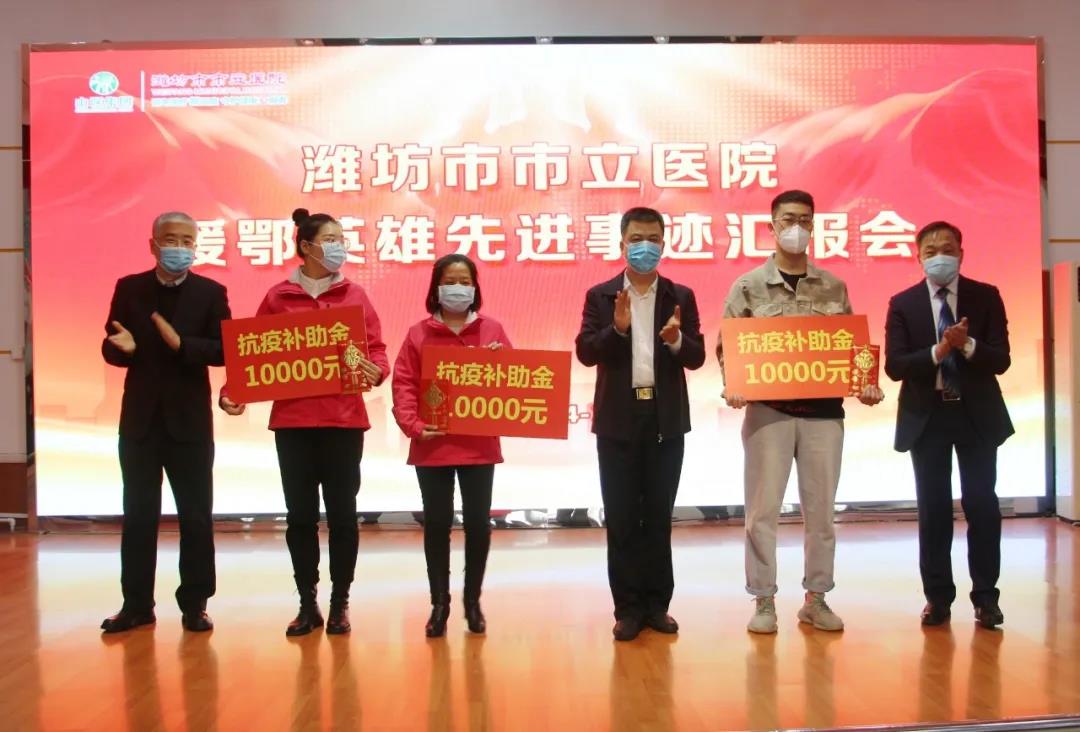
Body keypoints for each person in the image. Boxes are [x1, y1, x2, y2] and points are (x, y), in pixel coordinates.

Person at [718, 189, 884, 635]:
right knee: (761, 513)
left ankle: (817, 598)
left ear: (813, 226)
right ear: (772, 226)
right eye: (788, 219)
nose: (797, 227)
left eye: (805, 220)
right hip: (768, 413)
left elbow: (851, 349)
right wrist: (733, 384)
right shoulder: (748, 286)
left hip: (823, 415)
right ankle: (764, 599)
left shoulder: (833, 286)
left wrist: (866, 383)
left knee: (822, 512)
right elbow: (728, 347)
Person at [220, 208, 389, 636]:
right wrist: (231, 391)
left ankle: (340, 602)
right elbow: (253, 353)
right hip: (293, 423)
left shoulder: (355, 295)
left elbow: (377, 349)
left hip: (343, 422)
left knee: (343, 517)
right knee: (299, 518)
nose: (339, 247)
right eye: (331, 239)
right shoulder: (279, 297)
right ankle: (307, 601)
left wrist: (376, 370)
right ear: (306, 246)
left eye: (341, 239)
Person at [575, 206, 706, 641]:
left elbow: (697, 357)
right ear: (622, 244)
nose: (645, 247)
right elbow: (586, 352)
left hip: (666, 419)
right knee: (622, 518)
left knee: (658, 517)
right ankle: (627, 609)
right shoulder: (601, 295)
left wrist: (677, 341)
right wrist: (616, 330)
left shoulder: (680, 295)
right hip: (618, 420)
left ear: (664, 244)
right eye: (636, 239)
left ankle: (657, 606)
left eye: (653, 239)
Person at [100, 211, 230, 634]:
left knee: (196, 516)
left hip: (190, 423)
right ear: (153, 245)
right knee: (138, 515)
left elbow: (225, 349)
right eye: (171, 239)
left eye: (187, 240)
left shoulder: (211, 292)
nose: (180, 247)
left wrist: (182, 344)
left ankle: (195, 604)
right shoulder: (129, 288)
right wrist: (119, 349)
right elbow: (114, 343)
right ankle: (136, 604)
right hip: (140, 421)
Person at [884, 221, 1012, 629]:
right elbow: (895, 366)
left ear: (961, 253)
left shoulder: (985, 296)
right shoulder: (903, 303)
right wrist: (938, 351)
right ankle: (937, 598)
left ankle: (986, 598)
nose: (939, 256)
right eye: (931, 250)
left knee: (982, 505)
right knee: (933, 509)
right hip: (928, 416)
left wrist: (967, 345)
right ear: (918, 257)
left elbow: (1002, 359)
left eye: (947, 249)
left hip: (975, 414)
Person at [391, 254, 510, 638]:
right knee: (437, 523)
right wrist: (413, 425)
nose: (458, 288)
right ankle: (439, 604)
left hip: (478, 444)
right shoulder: (418, 333)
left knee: (478, 524)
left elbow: (516, 380)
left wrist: (501, 364)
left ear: (475, 287)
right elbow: (404, 384)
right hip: (433, 444)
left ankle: (472, 601)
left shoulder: (492, 330)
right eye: (450, 281)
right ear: (436, 287)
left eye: (465, 281)